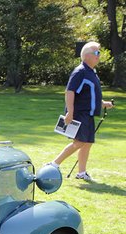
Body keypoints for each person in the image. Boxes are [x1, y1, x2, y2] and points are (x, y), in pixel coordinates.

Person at [48, 41, 114, 181]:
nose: (99, 56)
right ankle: (54, 164)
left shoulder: (91, 73)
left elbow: (89, 94)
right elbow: (70, 92)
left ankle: (81, 172)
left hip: (88, 114)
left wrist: (103, 104)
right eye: (97, 53)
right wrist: (70, 112)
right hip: (79, 113)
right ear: (87, 56)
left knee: (87, 143)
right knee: (79, 142)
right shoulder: (80, 72)